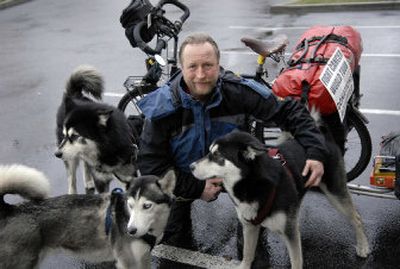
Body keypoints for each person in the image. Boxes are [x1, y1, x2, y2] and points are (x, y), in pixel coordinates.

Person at [136, 32, 327, 246]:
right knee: (173, 241)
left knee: (253, 234)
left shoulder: (237, 91)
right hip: (184, 177)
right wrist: (197, 188)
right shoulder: (163, 107)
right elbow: (151, 164)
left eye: (208, 65)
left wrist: (315, 152)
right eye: (192, 67)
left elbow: (289, 112)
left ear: (218, 65)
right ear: (182, 67)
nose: (200, 74)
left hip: (237, 173)